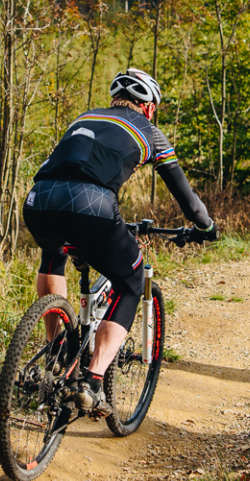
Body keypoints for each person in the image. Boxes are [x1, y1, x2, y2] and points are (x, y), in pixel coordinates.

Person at [21, 67, 216, 416]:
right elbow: (187, 199)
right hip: (92, 206)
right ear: (150, 108)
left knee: (53, 253)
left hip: (38, 200)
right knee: (131, 282)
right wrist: (204, 226)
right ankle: (92, 382)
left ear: (114, 100)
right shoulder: (151, 133)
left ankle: (55, 350)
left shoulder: (85, 117)